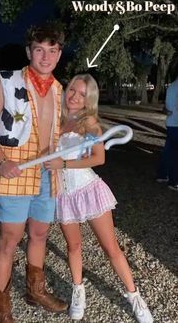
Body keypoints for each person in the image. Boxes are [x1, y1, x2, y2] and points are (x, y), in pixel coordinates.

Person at [0, 24, 68, 322]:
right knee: (9, 238)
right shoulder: (7, 80)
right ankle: (1, 307)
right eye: (39, 49)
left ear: (59, 54)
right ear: (29, 51)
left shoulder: (57, 88)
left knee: (40, 233)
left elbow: (51, 130)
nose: (45, 56)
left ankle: (35, 291)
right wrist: (1, 160)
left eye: (52, 50)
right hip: (15, 170)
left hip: (46, 173)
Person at [44, 74, 153, 323]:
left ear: (88, 99)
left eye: (82, 94)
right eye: (72, 90)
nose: (74, 96)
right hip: (64, 194)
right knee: (73, 246)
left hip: (88, 189)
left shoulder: (89, 122)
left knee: (111, 248)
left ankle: (134, 296)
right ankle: (78, 290)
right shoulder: (55, 120)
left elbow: (98, 158)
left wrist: (64, 162)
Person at [156, 76, 178, 191]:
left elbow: (165, 108)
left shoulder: (171, 86)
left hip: (171, 123)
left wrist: (169, 112)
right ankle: (174, 181)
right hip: (177, 124)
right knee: (175, 154)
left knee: (168, 151)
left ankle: (162, 175)